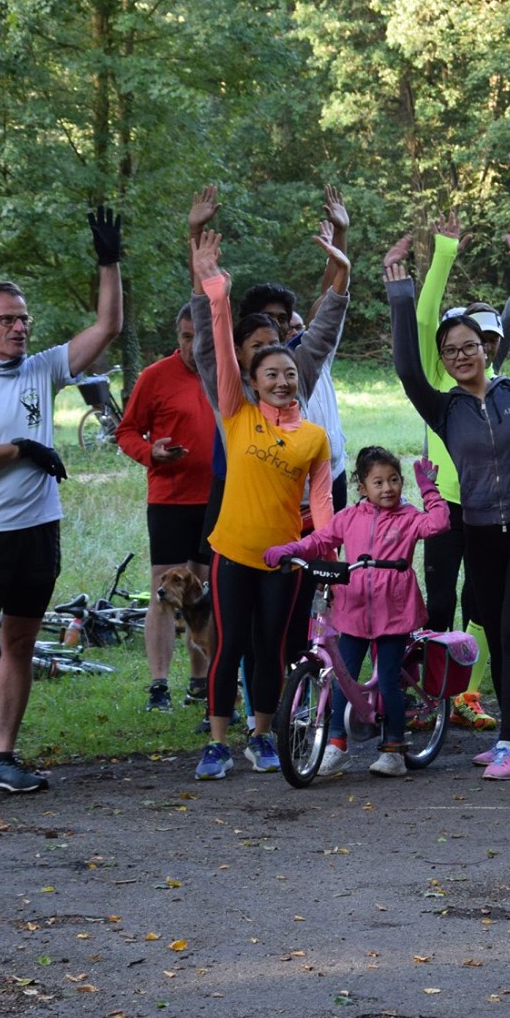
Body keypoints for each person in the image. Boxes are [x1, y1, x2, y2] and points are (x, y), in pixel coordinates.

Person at [0, 209, 123, 806]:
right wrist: (22, 448)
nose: (19, 328)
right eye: (7, 319)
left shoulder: (42, 368)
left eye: (24, 319)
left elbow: (107, 327)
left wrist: (109, 262)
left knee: (19, 643)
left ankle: (2, 757)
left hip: (39, 529)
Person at [188, 228, 338, 779]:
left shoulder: (312, 437)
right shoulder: (236, 412)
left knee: (273, 648)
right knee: (228, 646)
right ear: (252, 382)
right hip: (232, 553)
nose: (281, 381)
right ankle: (216, 744)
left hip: (283, 560)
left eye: (289, 375)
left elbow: (321, 503)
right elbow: (218, 348)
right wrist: (217, 292)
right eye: (271, 374)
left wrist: (325, 552)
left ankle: (261, 736)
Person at [388, 254, 510, 781]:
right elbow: (407, 369)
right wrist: (401, 298)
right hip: (478, 531)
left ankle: (508, 740)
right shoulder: (444, 409)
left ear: (486, 348)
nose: (461, 356)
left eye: (469, 346)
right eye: (451, 351)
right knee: (497, 633)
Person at [263, 448, 449, 776]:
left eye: (394, 480)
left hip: (394, 612)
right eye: (378, 482)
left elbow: (439, 523)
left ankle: (394, 749)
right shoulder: (349, 517)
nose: (388, 488)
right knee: (341, 678)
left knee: (388, 679)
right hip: (353, 610)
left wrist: (429, 490)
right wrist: (292, 549)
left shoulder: (407, 517)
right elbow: (320, 540)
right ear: (362, 487)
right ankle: (336, 745)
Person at [117, 304, 217, 712]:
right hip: (170, 499)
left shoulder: (226, 374)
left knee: (201, 591)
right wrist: (151, 453)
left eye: (201, 337)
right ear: (178, 337)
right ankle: (159, 686)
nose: (193, 346)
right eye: (186, 337)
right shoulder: (155, 377)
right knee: (164, 592)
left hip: (217, 498)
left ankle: (199, 682)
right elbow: (126, 432)